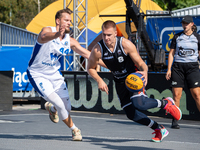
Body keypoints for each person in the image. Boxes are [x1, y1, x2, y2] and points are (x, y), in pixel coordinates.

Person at [87, 20, 182, 142]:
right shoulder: (98, 49)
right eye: (104, 34)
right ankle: (159, 129)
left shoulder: (125, 44)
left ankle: (166, 103)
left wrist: (145, 72)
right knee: (131, 114)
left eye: (109, 35)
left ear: (115, 33)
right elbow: (90, 68)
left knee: (139, 103)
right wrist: (99, 80)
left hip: (133, 78)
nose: (106, 38)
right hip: (119, 82)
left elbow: (141, 63)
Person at [26, 8, 105, 141]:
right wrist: (57, 34)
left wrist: (112, 67)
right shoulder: (47, 30)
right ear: (58, 21)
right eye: (66, 20)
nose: (69, 23)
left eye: (70, 21)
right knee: (60, 104)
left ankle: (52, 108)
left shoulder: (70, 41)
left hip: (54, 74)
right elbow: (44, 37)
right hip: (37, 73)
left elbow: (88, 55)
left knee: (67, 108)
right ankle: (75, 130)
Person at [166, 15, 200, 129]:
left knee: (197, 95)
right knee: (176, 95)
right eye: (183, 23)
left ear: (192, 24)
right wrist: (168, 69)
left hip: (193, 67)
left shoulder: (197, 37)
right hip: (178, 67)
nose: (184, 25)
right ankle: (175, 120)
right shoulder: (177, 36)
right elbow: (171, 53)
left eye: (186, 23)